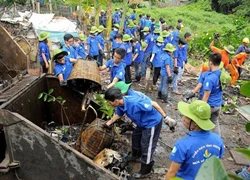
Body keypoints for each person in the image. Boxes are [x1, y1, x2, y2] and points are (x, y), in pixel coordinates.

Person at [104, 87, 165, 179]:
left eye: (109, 102)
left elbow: (154, 104)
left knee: (146, 146)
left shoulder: (134, 102)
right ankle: (136, 156)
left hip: (151, 122)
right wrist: (109, 122)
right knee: (135, 137)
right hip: (141, 123)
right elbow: (119, 114)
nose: (109, 103)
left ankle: (145, 171)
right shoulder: (121, 105)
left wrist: (166, 117)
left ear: (116, 101)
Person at [165, 100, 225, 180]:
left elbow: (172, 172)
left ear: (195, 123)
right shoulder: (218, 140)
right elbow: (217, 164)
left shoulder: (182, 145)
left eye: (186, 117)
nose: (183, 119)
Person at [202, 53, 223, 135]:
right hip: (218, 104)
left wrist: (201, 108)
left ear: (210, 62)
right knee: (215, 123)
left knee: (201, 123)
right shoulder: (221, 74)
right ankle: (218, 141)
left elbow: (206, 95)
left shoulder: (210, 78)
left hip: (210, 105)